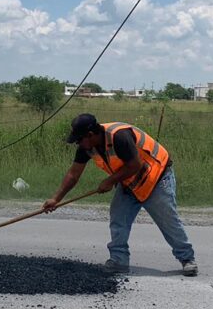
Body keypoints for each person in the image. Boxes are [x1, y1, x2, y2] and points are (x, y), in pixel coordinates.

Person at [43, 113, 198, 276]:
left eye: (79, 140)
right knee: (118, 218)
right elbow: (73, 175)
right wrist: (55, 199)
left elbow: (135, 164)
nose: (78, 144)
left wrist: (110, 181)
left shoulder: (119, 136)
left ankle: (187, 259)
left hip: (156, 178)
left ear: (90, 135)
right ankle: (119, 260)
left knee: (167, 220)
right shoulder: (86, 147)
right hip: (129, 182)